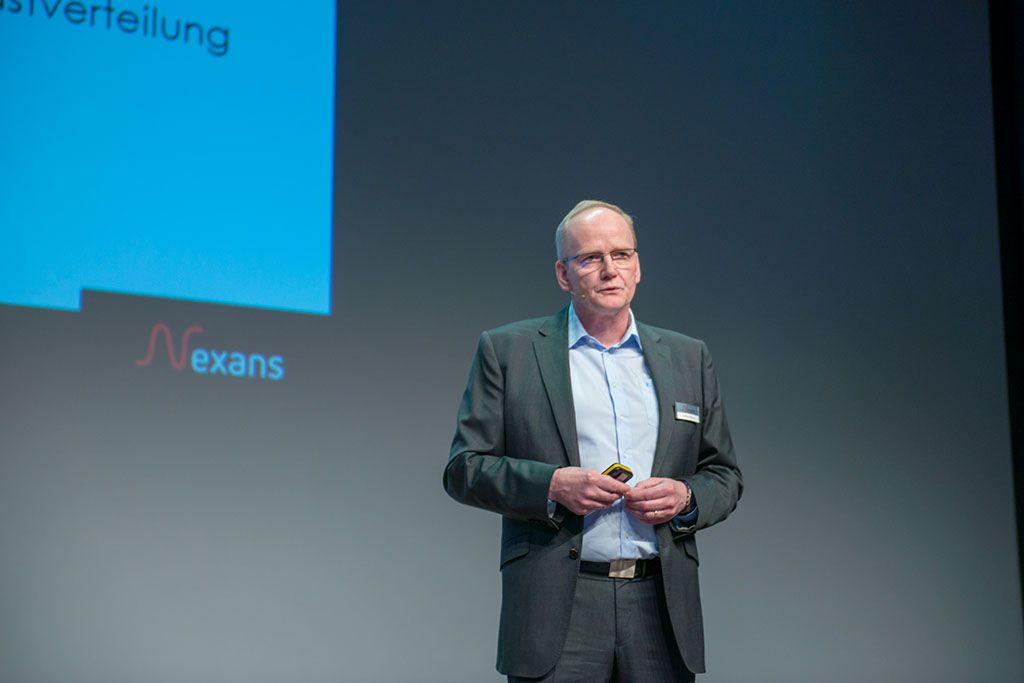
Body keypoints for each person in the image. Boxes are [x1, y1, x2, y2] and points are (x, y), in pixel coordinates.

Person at [444, 200, 742, 682]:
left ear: (638, 267)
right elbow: (464, 469)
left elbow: (723, 475)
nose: (609, 270)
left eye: (621, 255)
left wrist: (686, 497)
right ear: (563, 275)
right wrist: (552, 485)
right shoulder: (510, 351)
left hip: (659, 606)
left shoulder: (688, 357)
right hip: (559, 606)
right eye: (590, 258)